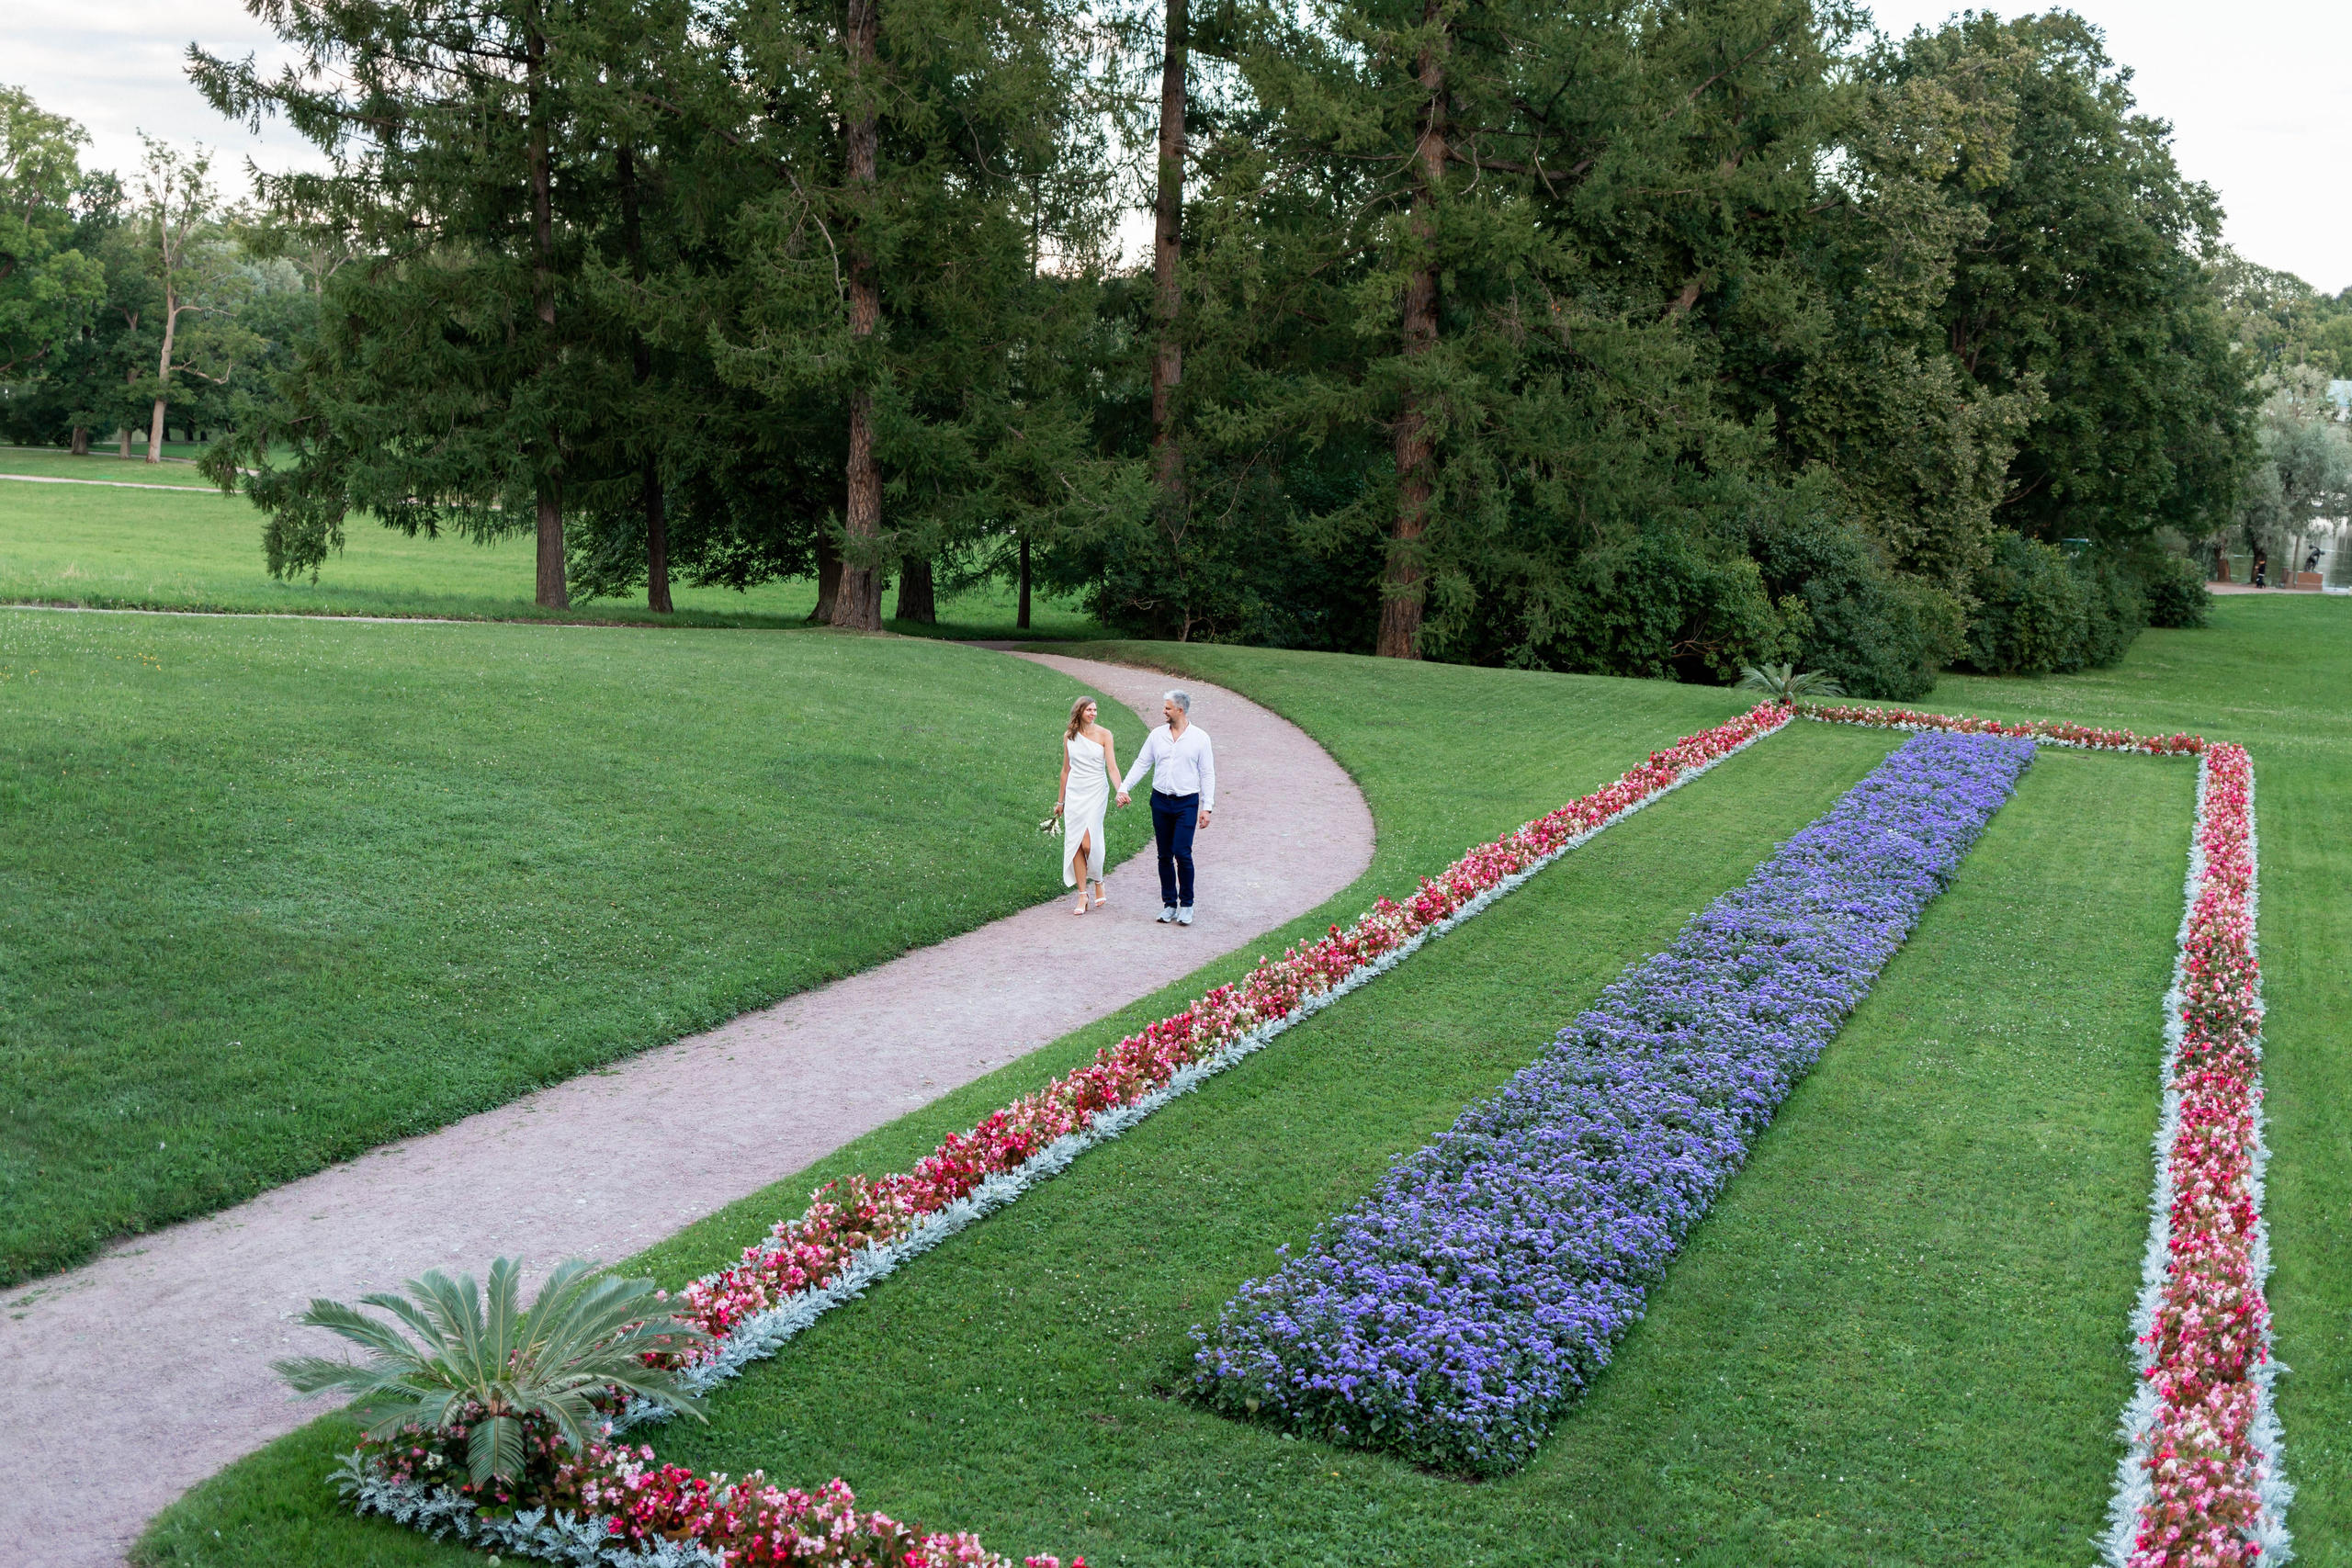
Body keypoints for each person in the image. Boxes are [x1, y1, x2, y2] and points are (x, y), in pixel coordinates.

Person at [1117, 689, 1215, 926]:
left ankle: (1187, 905)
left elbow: (1207, 773)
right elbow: (1142, 763)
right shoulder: (1157, 735)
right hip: (1160, 801)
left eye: (1168, 708)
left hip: (1187, 803)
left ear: (1180, 710)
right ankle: (1169, 904)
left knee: (1182, 853)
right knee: (1164, 855)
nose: (1164, 711)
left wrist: (1207, 806)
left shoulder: (1200, 738)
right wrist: (1124, 787)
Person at [1055, 696, 1121, 916]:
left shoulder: (1104, 734)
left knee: (1088, 843)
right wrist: (1060, 801)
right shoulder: (1069, 736)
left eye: (1095, 710)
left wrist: (1121, 790)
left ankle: (1099, 880)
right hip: (1075, 793)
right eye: (1089, 710)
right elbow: (1066, 770)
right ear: (1079, 711)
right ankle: (1082, 895)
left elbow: (1112, 767)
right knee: (1075, 842)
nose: (1093, 713)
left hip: (1096, 791)